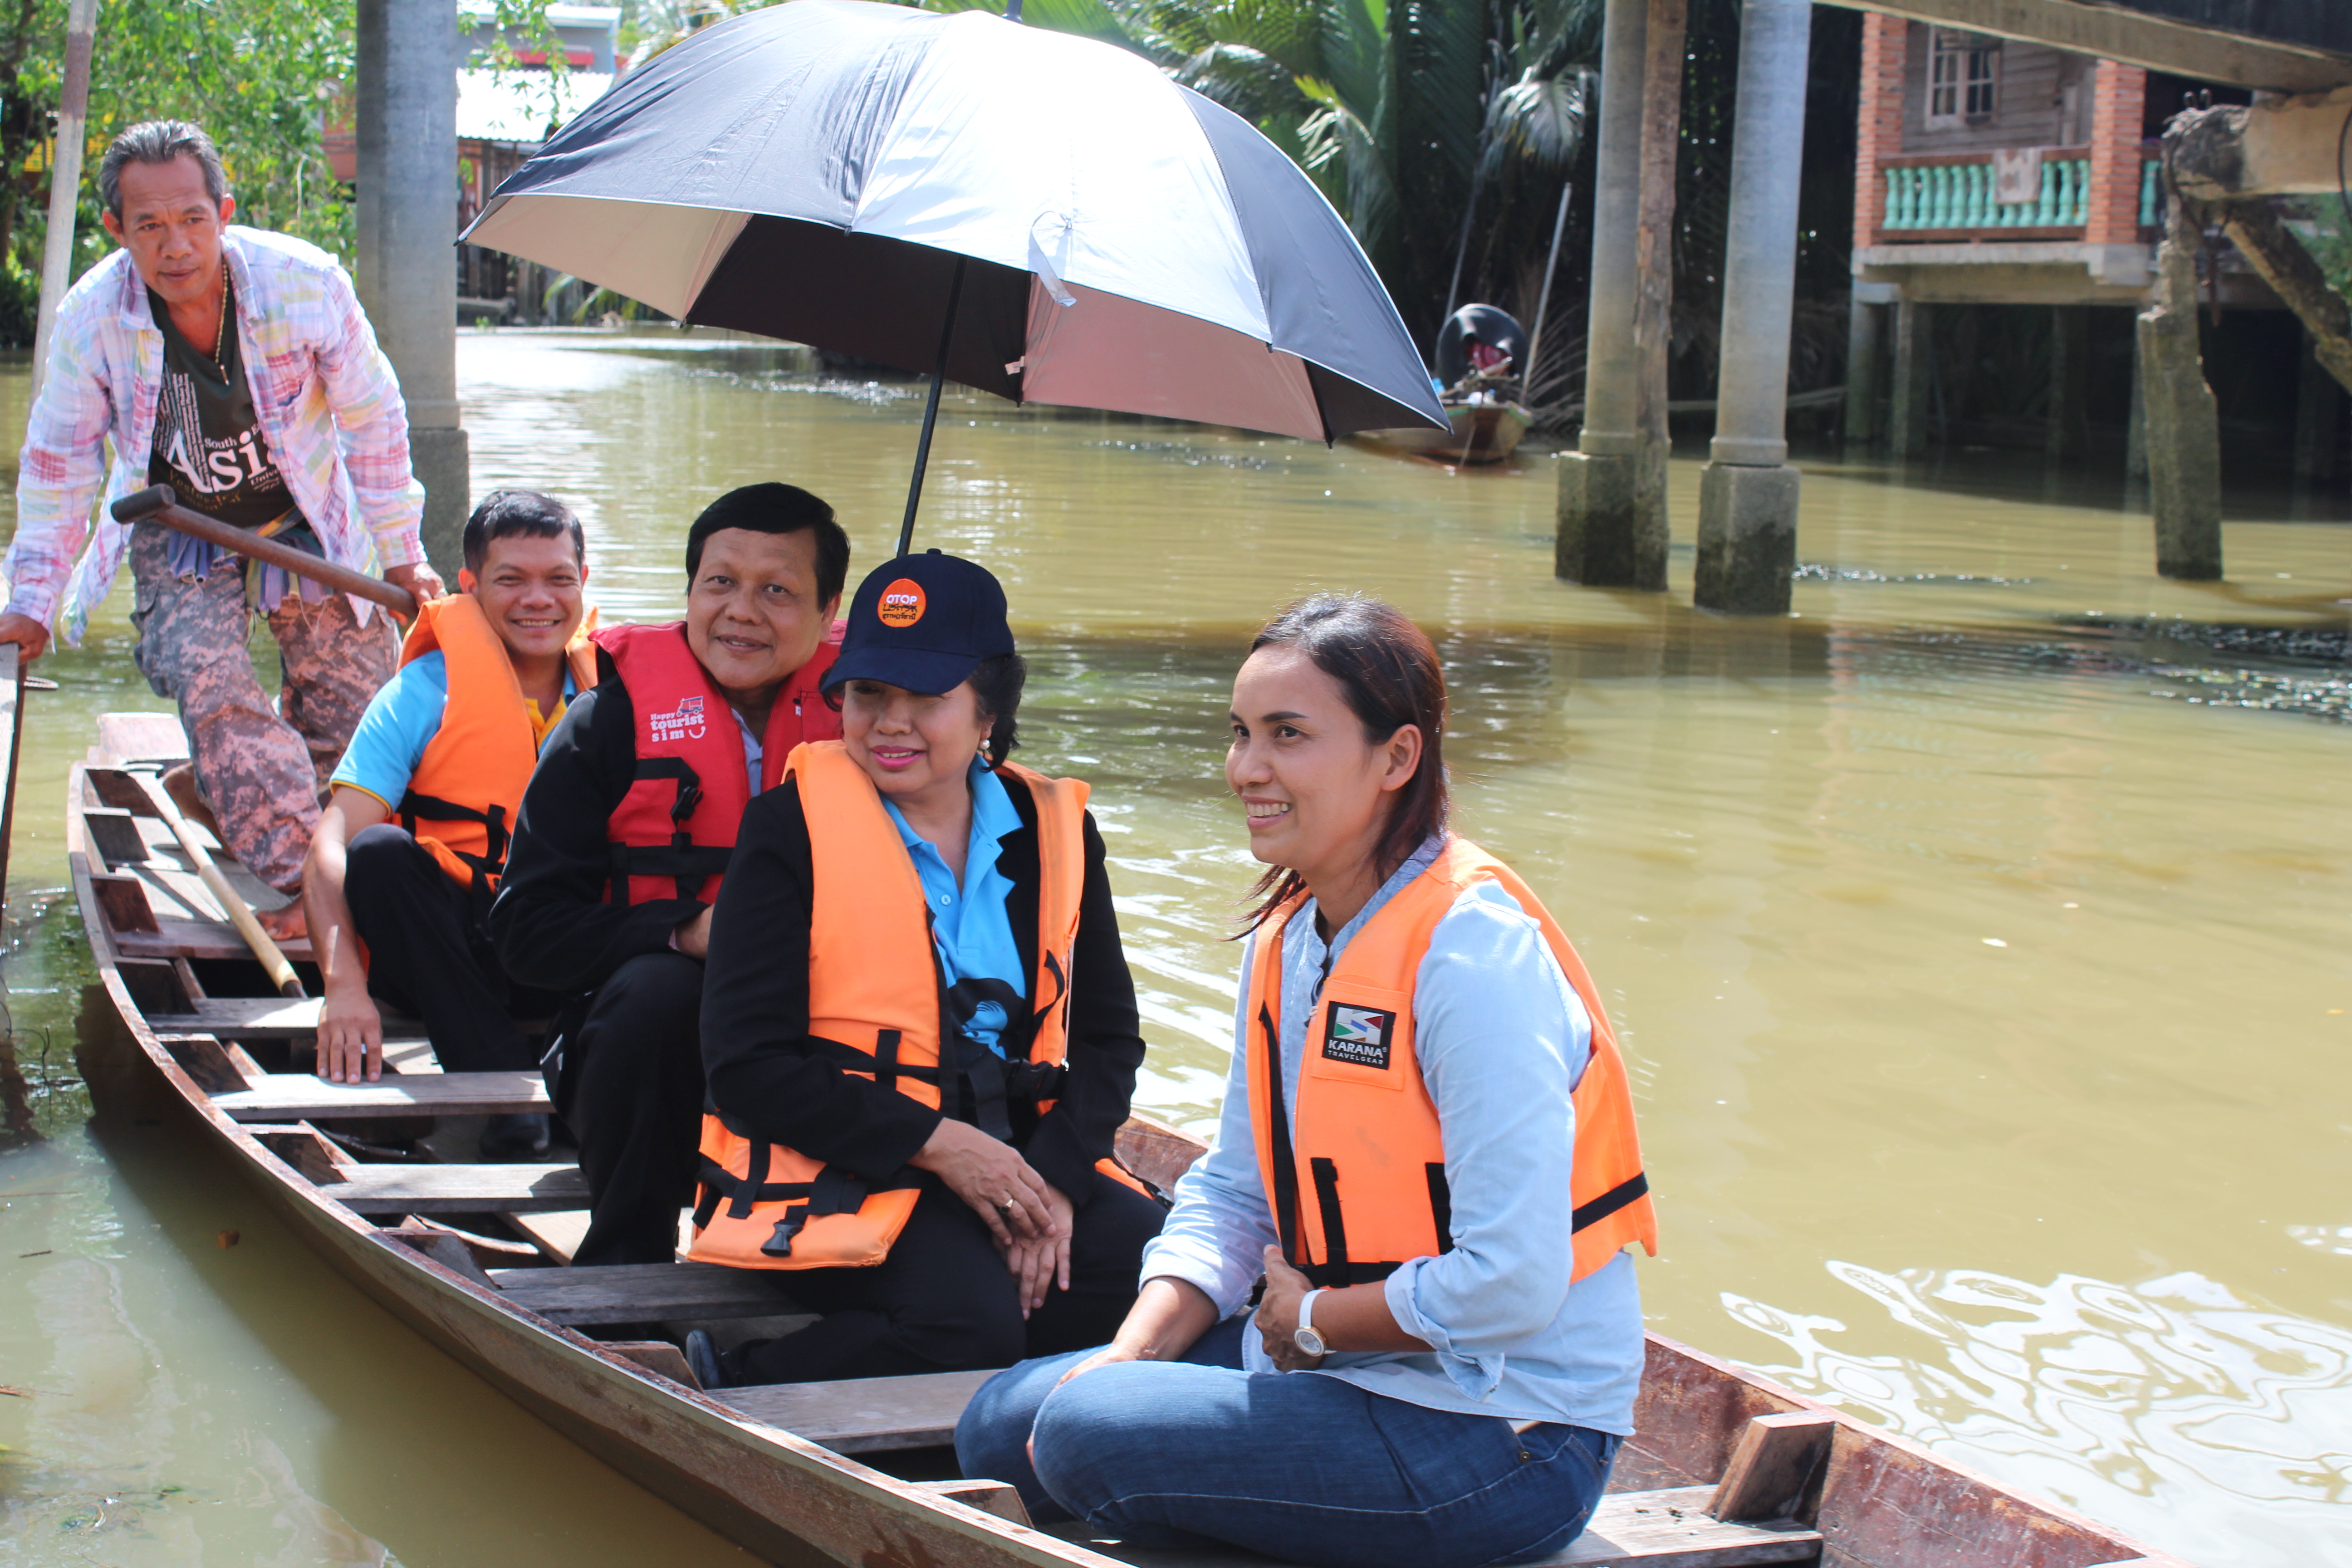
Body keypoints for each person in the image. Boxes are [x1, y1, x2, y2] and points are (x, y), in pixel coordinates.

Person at [953, 595, 1659, 1568]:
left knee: (1080, 1438)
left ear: (1398, 759)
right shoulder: (1292, 936)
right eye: (1241, 734)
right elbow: (1236, 1192)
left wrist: (1315, 1323)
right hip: (1335, 1369)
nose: (1248, 769)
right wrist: (1132, 1364)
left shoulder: (1472, 957)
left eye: (1289, 736)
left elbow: (1516, 1281)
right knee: (1006, 1421)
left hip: (1503, 1438)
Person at [681, 549, 1161, 1390]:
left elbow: (1110, 1041)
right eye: (870, 693)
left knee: (1169, 1276)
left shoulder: (1059, 836)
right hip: (842, 1162)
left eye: (927, 697)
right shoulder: (786, 831)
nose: (890, 723)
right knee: (967, 1326)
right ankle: (730, 1371)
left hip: (1017, 1156)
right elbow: (746, 1068)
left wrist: (1050, 1179)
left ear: (989, 710)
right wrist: (939, 1147)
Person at [0, 121, 442, 938]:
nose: (175, 246)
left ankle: (214, 791)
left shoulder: (303, 284)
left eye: (193, 220)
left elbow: (374, 425)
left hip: (306, 518)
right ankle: (313, 894)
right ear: (118, 231)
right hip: (179, 523)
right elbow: (59, 464)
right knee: (214, 686)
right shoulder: (93, 315)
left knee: (359, 729)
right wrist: (30, 599)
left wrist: (407, 555)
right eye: (150, 226)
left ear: (224, 212)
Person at [489, 483, 848, 1265]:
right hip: (639, 1065)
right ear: (689, 592)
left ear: (830, 613)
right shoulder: (607, 724)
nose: (742, 612)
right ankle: (626, 1259)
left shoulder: (870, 723)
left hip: (819, 1049)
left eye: (778, 591)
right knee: (659, 992)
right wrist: (683, 933)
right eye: (719, 583)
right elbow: (525, 934)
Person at [301, 490, 595, 1158]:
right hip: (448, 947)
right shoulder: (421, 691)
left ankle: (604, 1081)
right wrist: (342, 985)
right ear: (469, 586)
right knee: (377, 853)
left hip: (561, 942)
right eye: (510, 580)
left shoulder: (617, 690)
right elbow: (329, 847)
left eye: (558, 579)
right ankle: (499, 1089)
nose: (538, 600)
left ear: (584, 583)